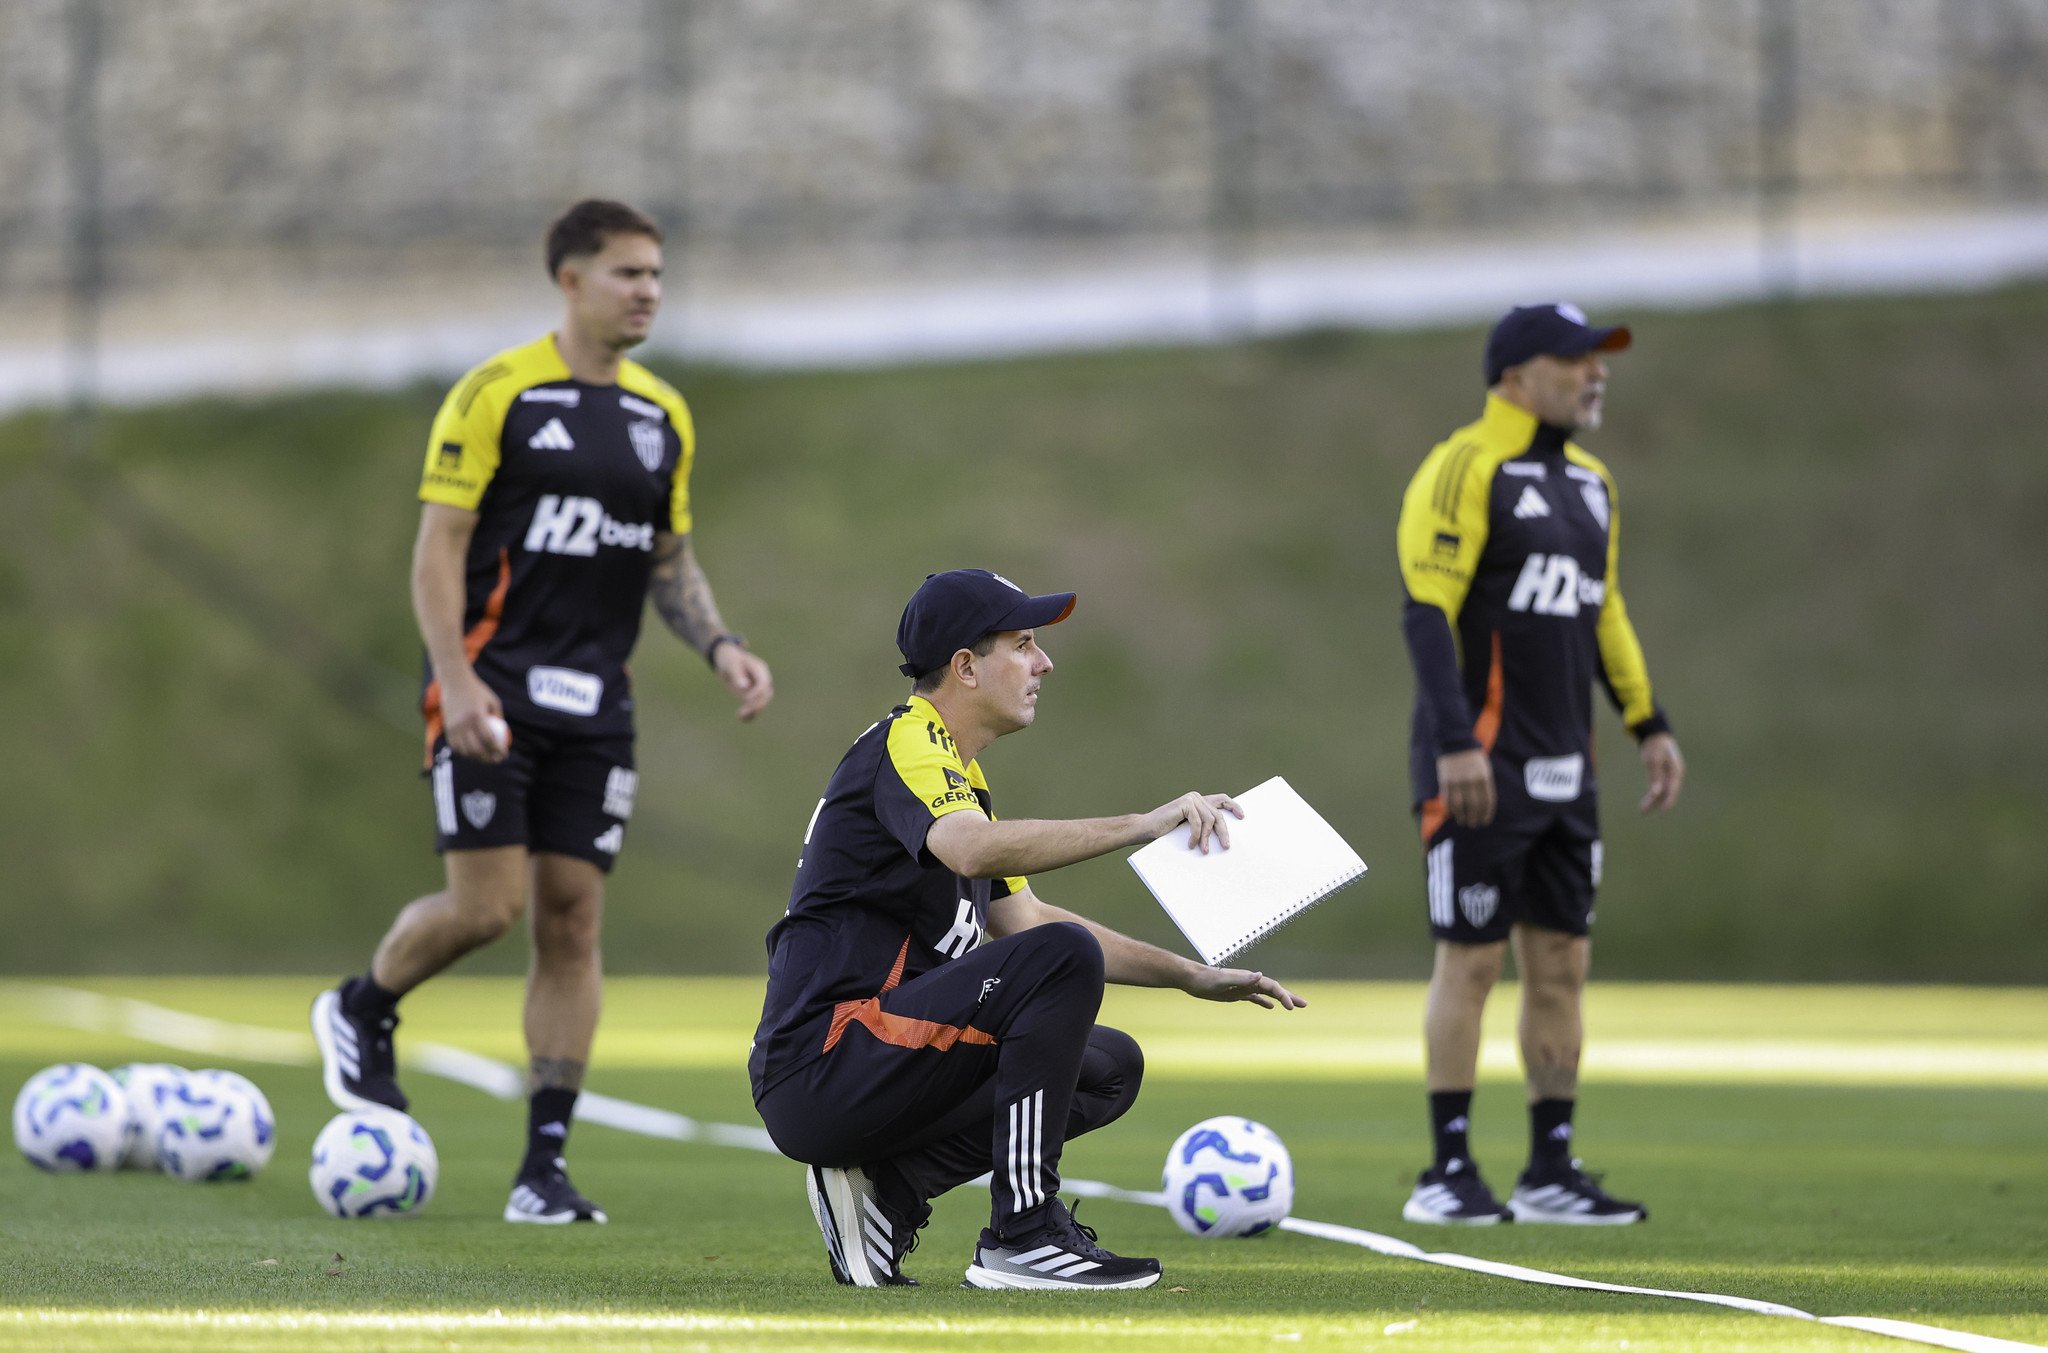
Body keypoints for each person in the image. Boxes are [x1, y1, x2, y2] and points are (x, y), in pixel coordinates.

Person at [313, 199, 774, 1225]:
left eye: (656, 273)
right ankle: (362, 1006)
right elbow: (437, 548)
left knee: (573, 921)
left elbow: (668, 555)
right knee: (487, 910)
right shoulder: (496, 394)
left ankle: (543, 1170)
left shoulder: (665, 417)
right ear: (569, 280)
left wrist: (722, 644)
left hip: (597, 707)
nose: (648, 289)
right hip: (492, 687)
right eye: (627, 273)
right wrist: (456, 678)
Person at [749, 569, 1305, 1289]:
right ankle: (1024, 1232)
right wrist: (1143, 824)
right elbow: (975, 853)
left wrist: (1192, 976)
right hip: (827, 1059)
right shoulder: (909, 740)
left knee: (1106, 1070)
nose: (1044, 663)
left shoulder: (958, 776)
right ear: (966, 667)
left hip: (866, 1064)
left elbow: (1030, 920)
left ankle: (887, 1189)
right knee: (1058, 961)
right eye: (1024, 644)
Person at [1392, 303, 1684, 1226]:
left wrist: (1649, 722)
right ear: (1516, 376)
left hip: (1569, 771)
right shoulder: (1464, 466)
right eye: (1574, 358)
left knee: (1561, 966)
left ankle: (1550, 1168)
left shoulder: (1593, 485)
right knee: (1470, 964)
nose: (1596, 373)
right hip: (1479, 767)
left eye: (1600, 359)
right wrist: (1453, 744)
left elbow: (1604, 614)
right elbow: (1425, 612)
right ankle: (1446, 1171)